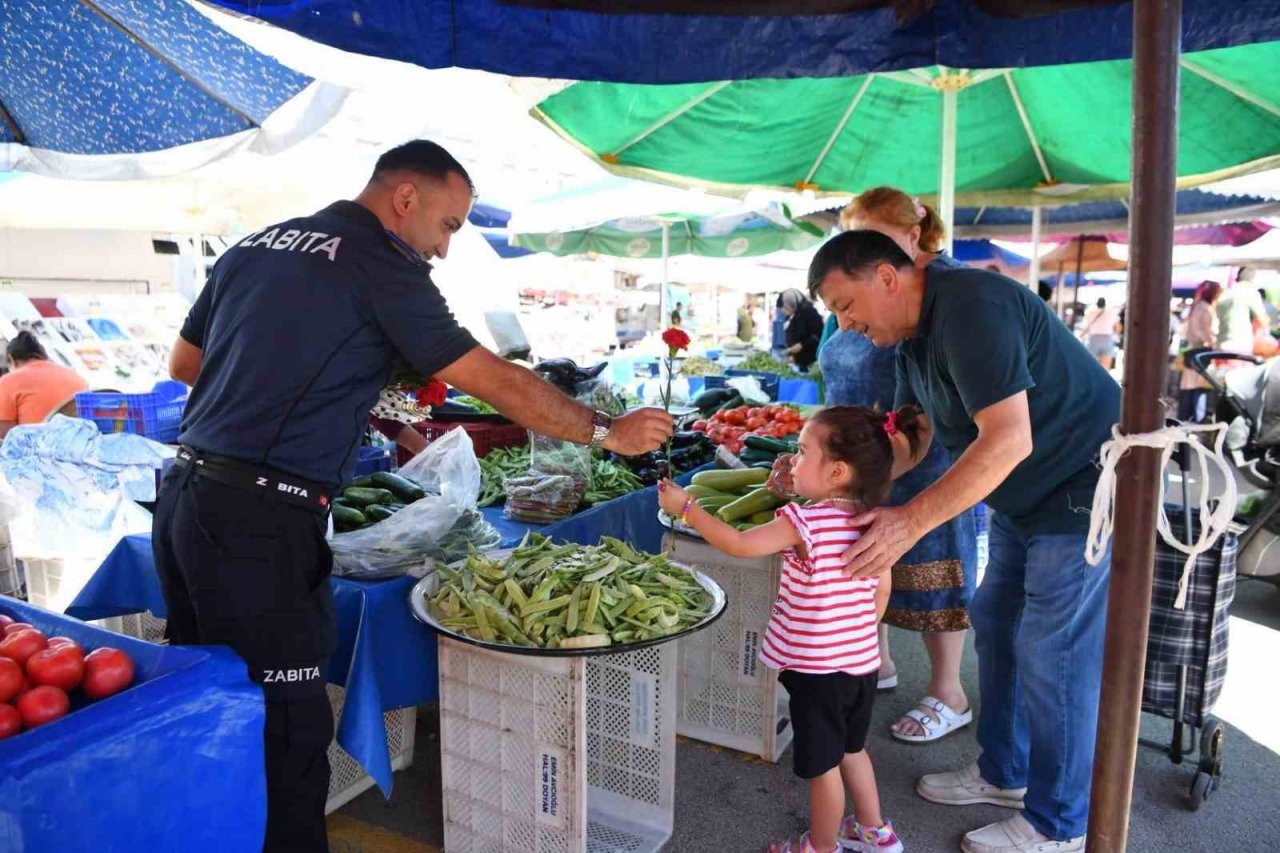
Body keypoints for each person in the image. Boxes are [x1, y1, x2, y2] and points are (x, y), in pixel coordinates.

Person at [156, 140, 674, 851]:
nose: (445, 247)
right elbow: (490, 378)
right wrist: (605, 431)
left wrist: (321, 390)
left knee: (209, 708)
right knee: (289, 732)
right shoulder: (380, 262)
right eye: (449, 224)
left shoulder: (257, 245)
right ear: (406, 197)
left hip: (185, 501)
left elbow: (186, 363)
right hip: (261, 524)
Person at [809, 231, 1119, 853]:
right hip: (1019, 496)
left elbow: (1008, 439)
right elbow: (910, 434)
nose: (845, 325)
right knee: (997, 625)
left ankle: (1060, 824)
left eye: (845, 305)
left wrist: (908, 521)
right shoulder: (911, 339)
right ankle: (1005, 774)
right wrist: (834, 485)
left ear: (886, 277)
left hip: (1084, 484)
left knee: (1052, 650)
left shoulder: (973, 304)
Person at [658, 406, 909, 853]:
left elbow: (738, 544)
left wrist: (687, 508)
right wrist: (851, 637)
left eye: (801, 451)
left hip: (817, 672)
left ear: (835, 471)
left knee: (822, 767)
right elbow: (882, 592)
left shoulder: (803, 522)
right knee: (852, 750)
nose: (792, 459)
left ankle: (820, 846)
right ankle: (875, 833)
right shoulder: (876, 524)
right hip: (860, 665)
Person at [829, 188, 978, 745]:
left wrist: (905, 447)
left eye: (876, 239)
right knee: (861, 560)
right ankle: (877, 662)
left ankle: (948, 692)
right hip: (859, 450)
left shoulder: (949, 290)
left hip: (929, 452)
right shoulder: (849, 292)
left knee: (936, 563)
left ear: (914, 234)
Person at [0, 331, 89, 437]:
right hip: (79, 444)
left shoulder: (8, 381)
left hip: (38, 449)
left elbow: (4, 435)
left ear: (11, 359)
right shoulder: (76, 377)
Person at [1178, 281, 1221, 423]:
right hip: (1201, 352)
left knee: (1190, 390)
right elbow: (1204, 331)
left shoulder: (1196, 306)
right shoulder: (1205, 308)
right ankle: (1197, 423)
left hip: (1192, 351)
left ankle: (1187, 421)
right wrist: (1212, 340)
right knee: (1201, 389)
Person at [1215, 267, 1267, 354]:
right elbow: (1263, 320)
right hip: (1240, 347)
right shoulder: (1250, 293)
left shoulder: (1225, 294)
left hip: (1220, 345)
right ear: (1253, 279)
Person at [778, 289, 824, 371]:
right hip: (797, 361)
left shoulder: (810, 313)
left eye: (786, 308)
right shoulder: (795, 313)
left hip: (809, 362)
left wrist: (800, 346)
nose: (784, 311)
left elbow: (815, 337)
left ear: (792, 303)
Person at [1079, 297, 1120, 370]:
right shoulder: (1111, 313)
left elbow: (1084, 326)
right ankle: (1104, 380)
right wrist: (1116, 336)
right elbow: (1117, 327)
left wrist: (1082, 336)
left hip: (1093, 339)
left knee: (1091, 365)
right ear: (1105, 304)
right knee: (1106, 367)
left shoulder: (1090, 312)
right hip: (1107, 339)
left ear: (1097, 304)